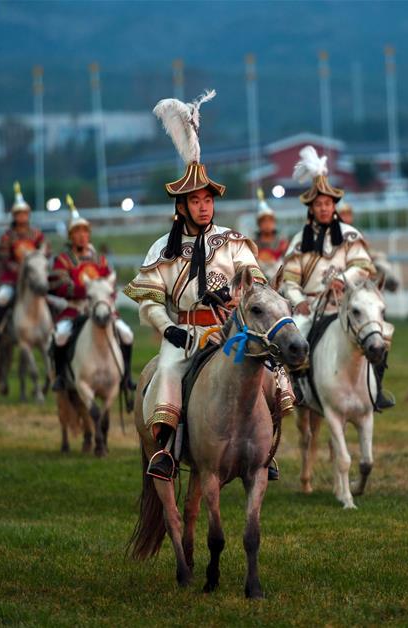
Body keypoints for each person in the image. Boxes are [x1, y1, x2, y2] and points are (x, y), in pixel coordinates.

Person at [123, 90, 283, 481]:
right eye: (195, 201)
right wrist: (169, 328)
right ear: (182, 207)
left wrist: (235, 295)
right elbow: (149, 302)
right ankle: (165, 451)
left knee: (273, 373)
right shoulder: (162, 249)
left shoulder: (233, 241)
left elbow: (255, 281)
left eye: (208, 200)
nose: (204, 206)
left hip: (229, 331)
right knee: (168, 372)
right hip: (184, 333)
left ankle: (267, 448)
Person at [278, 146, 392, 410]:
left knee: (380, 336)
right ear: (311, 208)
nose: (324, 208)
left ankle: (377, 390)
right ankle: (298, 390)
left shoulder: (350, 235)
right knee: (297, 340)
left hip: (347, 304)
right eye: (319, 204)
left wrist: (343, 278)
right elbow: (289, 280)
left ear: (334, 205)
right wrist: (299, 300)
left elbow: (364, 265)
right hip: (313, 306)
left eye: (328, 203)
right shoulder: (299, 242)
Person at [49, 195, 136, 399]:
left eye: (85, 232)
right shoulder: (63, 260)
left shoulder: (100, 260)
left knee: (127, 335)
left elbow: (111, 286)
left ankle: (126, 377)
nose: (81, 236)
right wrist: (85, 291)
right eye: (77, 232)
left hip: (102, 309)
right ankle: (61, 376)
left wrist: (102, 296)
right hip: (75, 310)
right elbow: (59, 286)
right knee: (60, 336)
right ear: (70, 236)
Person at [0, 182, 45, 342]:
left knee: (49, 297)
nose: (22, 217)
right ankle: (0, 327)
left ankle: (50, 327)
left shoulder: (36, 235)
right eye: (19, 214)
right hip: (12, 277)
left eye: (25, 214)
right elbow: (4, 258)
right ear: (14, 216)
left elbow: (45, 251)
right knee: (3, 298)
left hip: (33, 277)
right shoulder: (7, 237)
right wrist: (18, 269)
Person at [253, 188, 289, 283]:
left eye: (270, 221)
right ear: (259, 224)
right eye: (264, 221)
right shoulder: (253, 244)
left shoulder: (283, 243)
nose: (267, 224)